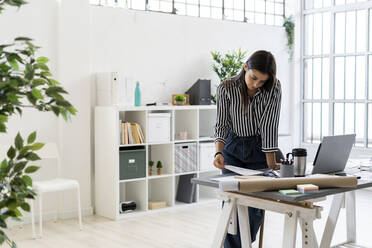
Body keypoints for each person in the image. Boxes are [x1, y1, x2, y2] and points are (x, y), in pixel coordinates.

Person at [213, 50, 282, 247]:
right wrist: (218, 152)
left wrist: (271, 163)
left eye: (262, 81)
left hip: (260, 148)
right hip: (232, 149)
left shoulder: (274, 88)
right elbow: (222, 123)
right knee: (232, 206)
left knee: (255, 208)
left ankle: (242, 243)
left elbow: (269, 125)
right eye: (253, 78)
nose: (256, 84)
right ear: (245, 67)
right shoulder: (226, 87)